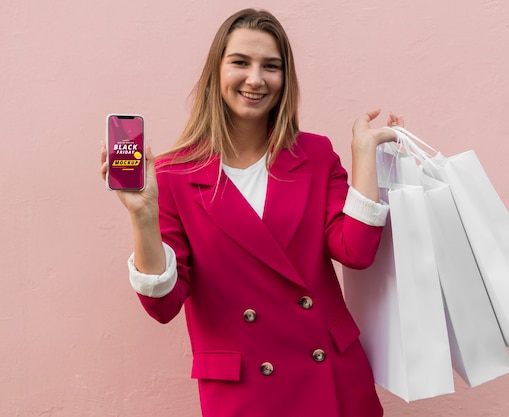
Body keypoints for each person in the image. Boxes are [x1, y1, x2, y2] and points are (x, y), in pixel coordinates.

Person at [100, 8, 402, 417]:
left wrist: (363, 154)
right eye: (240, 62)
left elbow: (357, 251)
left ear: (285, 78)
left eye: (271, 67)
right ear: (216, 71)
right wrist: (142, 215)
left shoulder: (313, 154)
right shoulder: (172, 175)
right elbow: (163, 306)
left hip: (332, 380)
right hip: (245, 395)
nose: (256, 79)